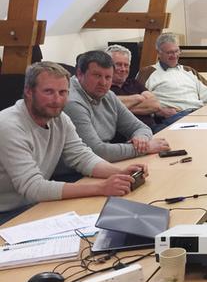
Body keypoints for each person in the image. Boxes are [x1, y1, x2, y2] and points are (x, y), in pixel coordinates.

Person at [0, 62, 147, 223]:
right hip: (8, 213)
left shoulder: (60, 119)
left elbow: (82, 156)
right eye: (48, 92)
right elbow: (33, 187)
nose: (57, 100)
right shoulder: (8, 125)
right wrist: (101, 188)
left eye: (63, 92)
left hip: (35, 204)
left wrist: (119, 172)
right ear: (28, 91)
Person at [64, 50, 169, 162]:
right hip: (76, 173)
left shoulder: (108, 95)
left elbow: (141, 127)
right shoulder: (72, 102)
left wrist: (141, 139)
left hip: (103, 163)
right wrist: (145, 148)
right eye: (97, 76)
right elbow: (96, 151)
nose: (103, 83)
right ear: (80, 74)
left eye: (108, 77)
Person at [138, 33, 207, 124]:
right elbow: (137, 101)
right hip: (175, 116)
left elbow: (206, 92)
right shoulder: (147, 72)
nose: (174, 56)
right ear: (159, 53)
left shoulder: (188, 70)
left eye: (176, 51)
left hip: (198, 112)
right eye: (169, 52)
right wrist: (158, 112)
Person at [105, 44, 176, 131]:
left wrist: (120, 108)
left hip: (153, 128)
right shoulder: (103, 87)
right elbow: (106, 106)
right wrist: (139, 98)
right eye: (118, 65)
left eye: (126, 65)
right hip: (132, 135)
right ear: (107, 66)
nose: (123, 69)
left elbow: (155, 104)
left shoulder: (134, 83)